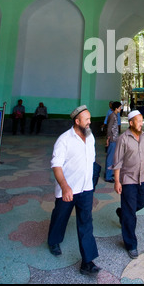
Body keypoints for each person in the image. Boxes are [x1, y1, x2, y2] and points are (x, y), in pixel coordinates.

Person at [47, 105, 100, 275]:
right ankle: (54, 241)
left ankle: (87, 262)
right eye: (87, 120)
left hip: (86, 189)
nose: (89, 122)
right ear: (77, 121)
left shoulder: (90, 136)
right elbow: (56, 165)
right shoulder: (64, 140)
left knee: (86, 223)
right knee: (60, 216)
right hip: (68, 190)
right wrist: (64, 186)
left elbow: (91, 160)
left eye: (90, 119)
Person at [113, 110, 144, 259]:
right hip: (128, 179)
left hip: (142, 178)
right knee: (131, 214)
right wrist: (117, 181)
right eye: (139, 121)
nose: (141, 124)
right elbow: (117, 162)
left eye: (142, 121)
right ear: (131, 123)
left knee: (140, 204)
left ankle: (123, 213)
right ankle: (131, 245)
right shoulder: (123, 139)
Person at [105, 101, 121, 182]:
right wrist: (108, 139)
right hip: (112, 139)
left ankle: (110, 172)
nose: (120, 109)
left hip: (114, 139)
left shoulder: (115, 115)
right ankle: (108, 176)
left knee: (112, 157)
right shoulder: (112, 116)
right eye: (120, 107)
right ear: (116, 108)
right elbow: (109, 128)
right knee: (110, 157)